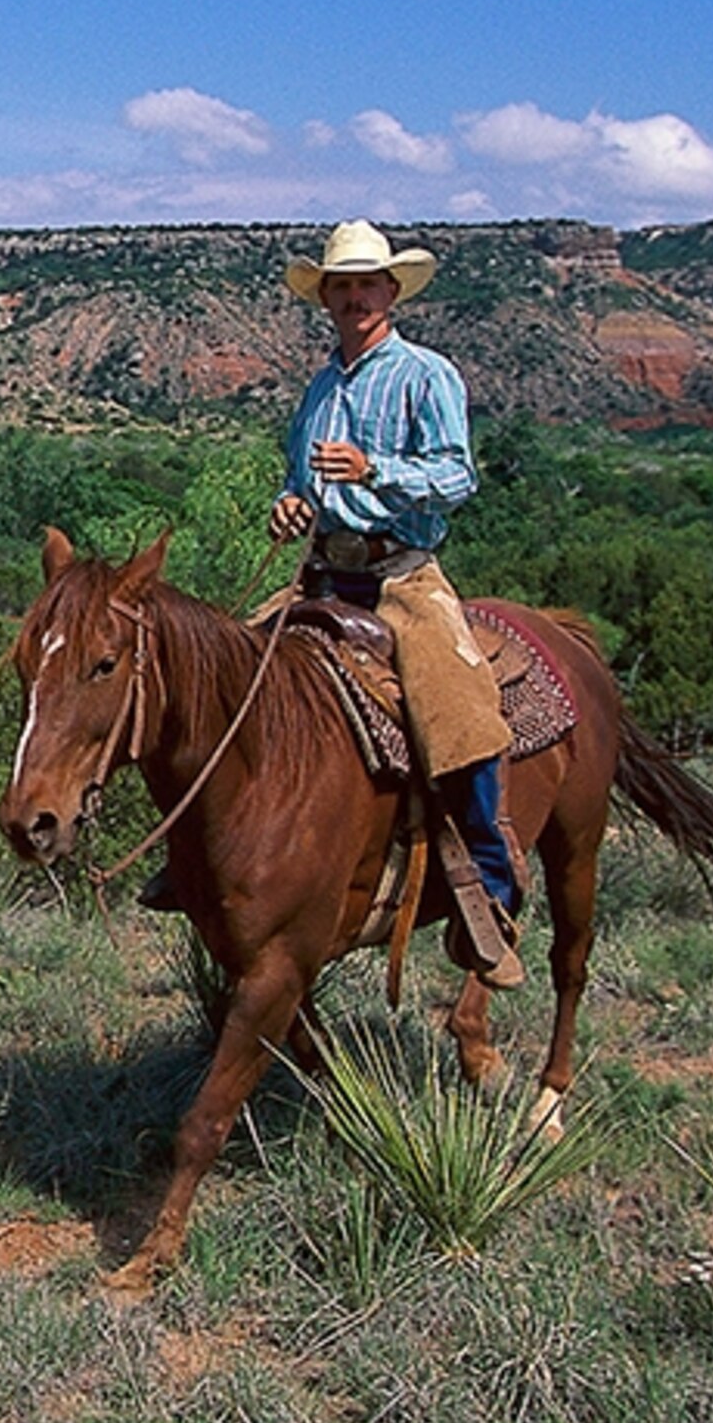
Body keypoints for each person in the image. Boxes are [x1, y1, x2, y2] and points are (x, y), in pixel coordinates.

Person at [266, 219, 524, 986]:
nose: (353, 299)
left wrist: (374, 469)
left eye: (365, 285)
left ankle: (488, 885)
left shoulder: (425, 375)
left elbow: (456, 478)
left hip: (399, 576)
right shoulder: (319, 386)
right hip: (322, 571)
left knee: (459, 708)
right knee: (230, 677)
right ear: (327, 299)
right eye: (340, 288)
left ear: (391, 291)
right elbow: (297, 474)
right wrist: (290, 504)